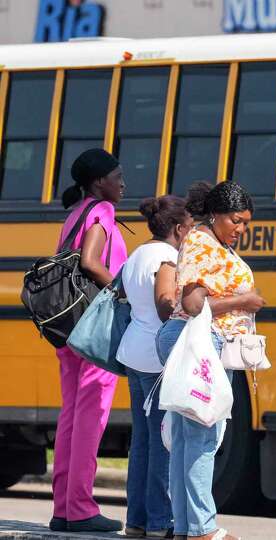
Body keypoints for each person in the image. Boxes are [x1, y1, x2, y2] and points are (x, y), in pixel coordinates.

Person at [156, 181, 264, 540]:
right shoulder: (203, 243)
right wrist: (242, 302)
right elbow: (191, 305)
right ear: (216, 214)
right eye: (236, 220)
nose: (241, 229)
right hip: (204, 343)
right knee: (203, 439)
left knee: (187, 441)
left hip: (202, 343)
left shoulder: (212, 242)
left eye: (246, 223)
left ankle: (186, 526)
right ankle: (202, 528)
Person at [50, 148, 127, 533]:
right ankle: (80, 507)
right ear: (99, 182)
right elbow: (91, 262)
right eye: (117, 176)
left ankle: (64, 507)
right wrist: (125, 291)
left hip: (68, 328)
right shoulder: (101, 211)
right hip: (94, 329)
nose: (122, 183)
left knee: (72, 414)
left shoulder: (73, 213)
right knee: (92, 415)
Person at [116, 196, 195, 538]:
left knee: (143, 442)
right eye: (191, 228)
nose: (193, 234)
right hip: (155, 359)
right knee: (163, 441)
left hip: (133, 352)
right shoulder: (166, 258)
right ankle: (160, 521)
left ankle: (136, 520)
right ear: (179, 228)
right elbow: (166, 309)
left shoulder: (137, 254)